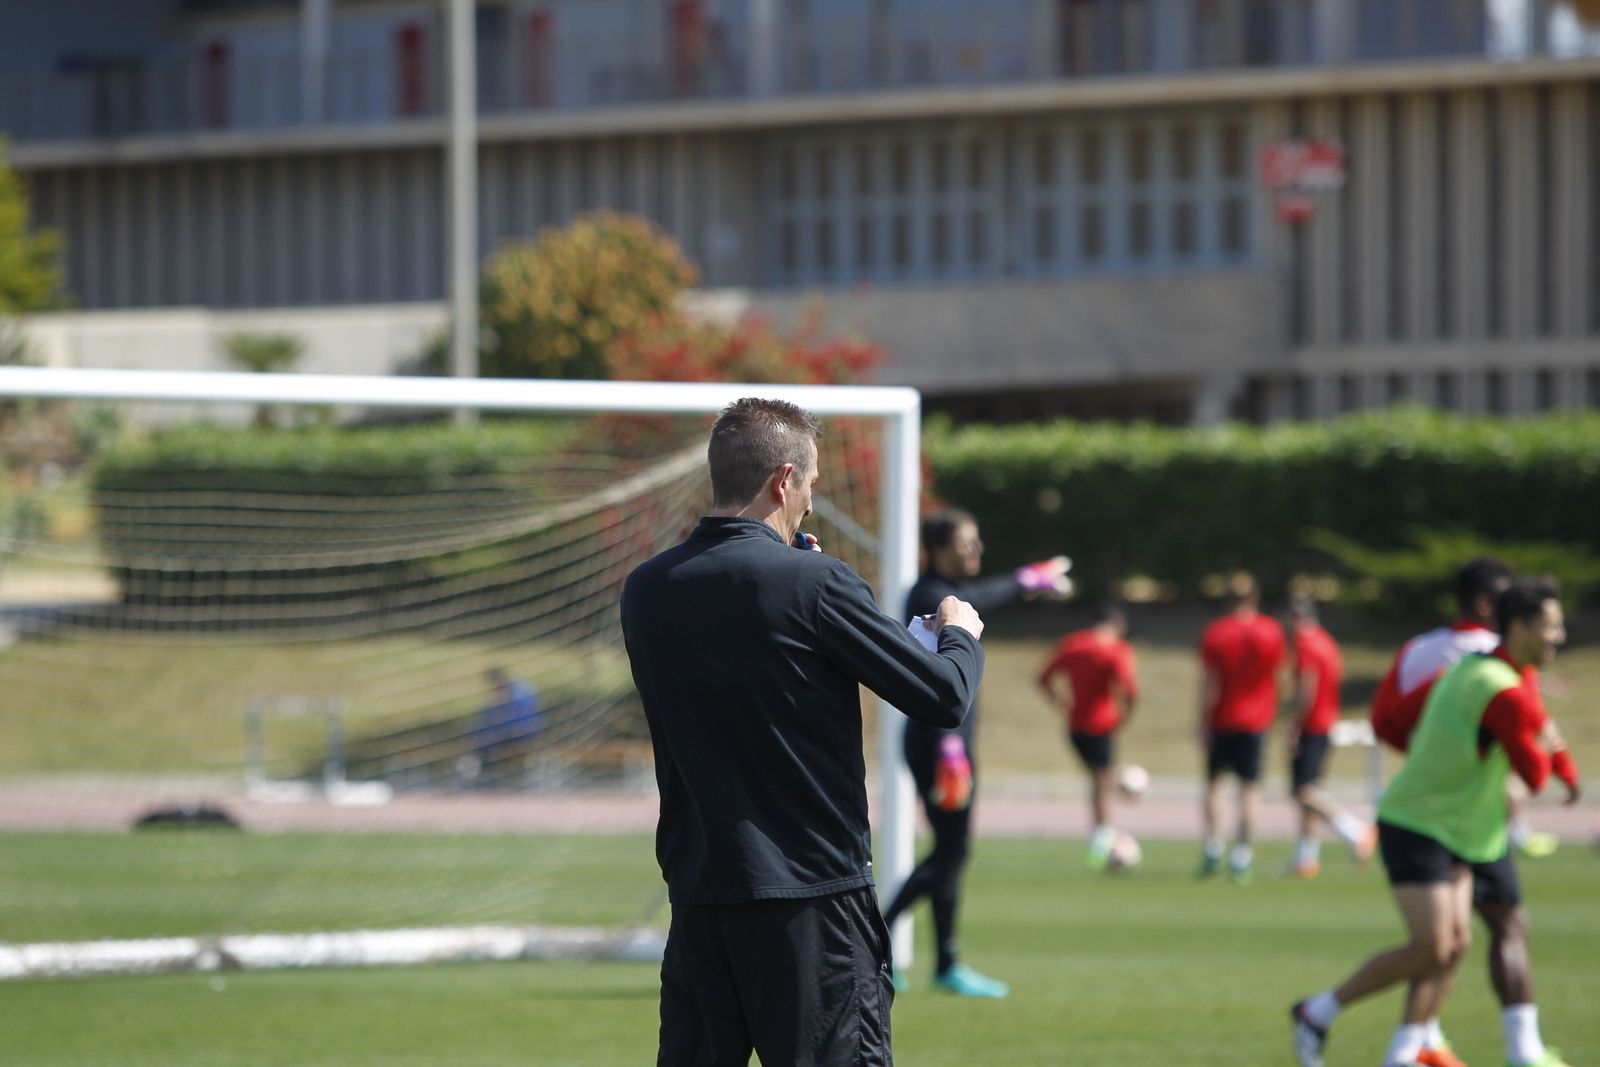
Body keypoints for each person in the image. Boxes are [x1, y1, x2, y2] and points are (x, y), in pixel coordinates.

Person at [621, 398, 988, 1067]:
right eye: (812, 487)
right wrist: (961, 633)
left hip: (702, 898)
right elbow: (942, 695)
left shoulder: (645, 589)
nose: (812, 506)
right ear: (784, 481)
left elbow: (751, 655)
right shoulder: (813, 582)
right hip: (812, 900)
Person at [1291, 579, 1580, 1067]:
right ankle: (1317, 1012)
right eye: (1551, 626)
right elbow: (1534, 775)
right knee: (1431, 946)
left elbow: (1398, 719)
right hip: (1418, 823)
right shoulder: (1502, 690)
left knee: (1453, 946)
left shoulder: (1473, 669)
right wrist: (1549, 744)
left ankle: (1404, 1053)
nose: (1560, 636)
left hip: (1460, 828)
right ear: (1519, 626)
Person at [1364, 559, 1569, 1067]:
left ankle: (1423, 1040)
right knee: (1470, 932)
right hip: (1456, 816)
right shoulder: (1494, 662)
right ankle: (1338, 1016)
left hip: (1452, 811)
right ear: (1492, 607)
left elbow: (1386, 721)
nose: (1555, 635)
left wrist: (1433, 754)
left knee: (1449, 938)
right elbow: (1531, 741)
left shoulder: (1420, 648)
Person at [880, 508, 1069, 999]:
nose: (976, 551)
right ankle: (879, 942)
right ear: (938, 550)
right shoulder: (929, 596)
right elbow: (937, 674)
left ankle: (943, 961)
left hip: (949, 745)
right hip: (938, 746)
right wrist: (1028, 578)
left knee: (952, 853)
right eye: (966, 543)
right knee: (950, 852)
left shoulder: (941, 594)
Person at [1196, 571, 1285, 884]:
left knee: (1214, 785)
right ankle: (1242, 854)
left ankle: (1213, 846)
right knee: (1250, 788)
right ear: (1254, 598)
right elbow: (1277, 675)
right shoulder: (1270, 631)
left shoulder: (1217, 632)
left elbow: (1209, 682)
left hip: (1223, 718)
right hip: (1256, 720)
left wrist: (1202, 720)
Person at [1037, 602, 1140, 870]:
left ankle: (1101, 831)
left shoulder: (1073, 644)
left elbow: (1044, 678)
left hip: (1075, 725)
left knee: (1098, 778)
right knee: (1104, 779)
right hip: (1102, 723)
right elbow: (1130, 690)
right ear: (1117, 624)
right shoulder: (1116, 650)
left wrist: (1062, 703)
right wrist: (1126, 715)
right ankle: (1102, 836)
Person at [1284, 598, 1377, 878]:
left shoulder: (1306, 643)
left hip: (1313, 724)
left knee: (1303, 791)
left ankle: (1355, 830)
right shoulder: (1327, 641)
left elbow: (1306, 688)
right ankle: (1306, 856)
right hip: (1326, 720)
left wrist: (1294, 724)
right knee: (1310, 789)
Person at [462, 668, 542, 784]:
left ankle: (487, 778)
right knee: (483, 739)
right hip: (508, 734)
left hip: (522, 733)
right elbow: (486, 720)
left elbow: (523, 720)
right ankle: (485, 777)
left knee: (487, 741)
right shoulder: (500, 698)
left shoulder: (519, 695)